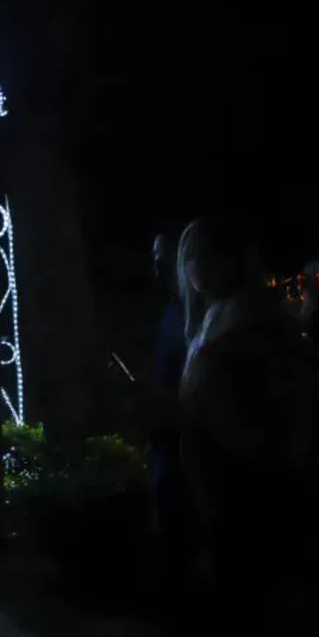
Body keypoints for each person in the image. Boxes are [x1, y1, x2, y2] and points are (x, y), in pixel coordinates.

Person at [175, 218, 318, 629]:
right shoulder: (211, 318)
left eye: (203, 257)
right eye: (189, 259)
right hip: (215, 479)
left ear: (231, 260)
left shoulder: (256, 322)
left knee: (250, 595)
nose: (194, 269)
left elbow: (276, 403)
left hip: (251, 481)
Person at [147, 232, 196, 620]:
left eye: (163, 256)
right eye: (154, 256)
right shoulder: (171, 310)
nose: (156, 264)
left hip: (190, 437)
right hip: (167, 434)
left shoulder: (193, 313)